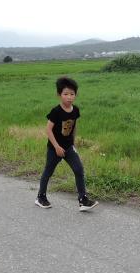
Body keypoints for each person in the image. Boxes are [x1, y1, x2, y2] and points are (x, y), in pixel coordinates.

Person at [36, 76, 98, 211]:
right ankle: (40, 197)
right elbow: (48, 129)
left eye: (72, 94)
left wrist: (73, 143)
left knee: (79, 170)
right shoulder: (56, 111)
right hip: (54, 149)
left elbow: (74, 126)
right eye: (65, 94)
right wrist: (56, 147)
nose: (69, 97)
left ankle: (83, 200)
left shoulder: (75, 110)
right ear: (59, 95)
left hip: (69, 148)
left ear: (76, 95)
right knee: (48, 172)